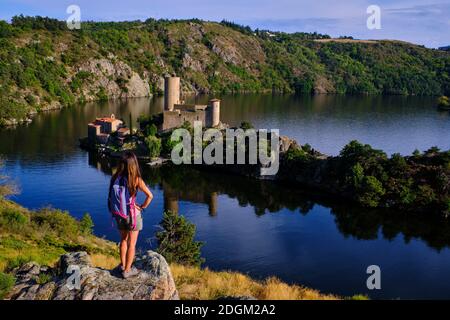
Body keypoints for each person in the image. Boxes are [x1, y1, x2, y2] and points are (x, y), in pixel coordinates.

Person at [109, 152, 153, 279]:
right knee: (132, 244)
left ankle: (122, 265)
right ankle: (127, 271)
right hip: (133, 216)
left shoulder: (115, 177)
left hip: (119, 214)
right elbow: (150, 196)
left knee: (123, 240)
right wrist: (142, 206)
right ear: (134, 165)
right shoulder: (136, 179)